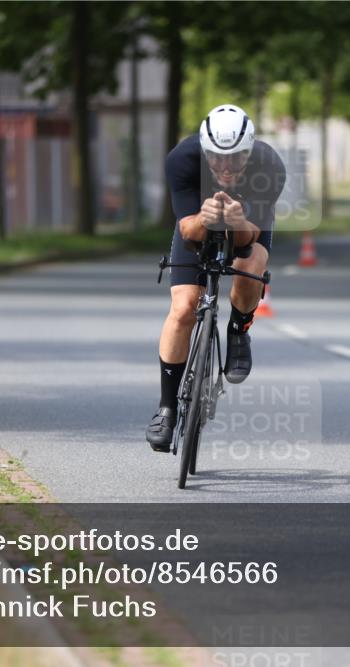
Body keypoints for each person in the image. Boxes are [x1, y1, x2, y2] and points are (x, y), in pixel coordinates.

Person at [146, 104, 286, 452]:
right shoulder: (182, 159)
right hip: (197, 222)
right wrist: (206, 218)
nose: (226, 167)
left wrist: (236, 221)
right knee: (183, 308)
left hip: (247, 229)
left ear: (249, 151)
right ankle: (167, 408)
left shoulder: (269, 166)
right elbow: (187, 229)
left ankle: (239, 329)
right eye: (217, 158)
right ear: (204, 150)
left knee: (251, 265)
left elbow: (248, 239)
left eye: (236, 158)